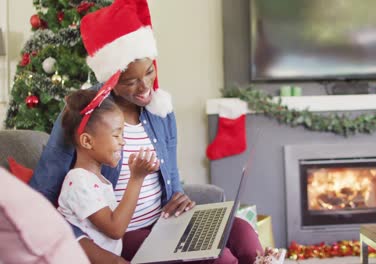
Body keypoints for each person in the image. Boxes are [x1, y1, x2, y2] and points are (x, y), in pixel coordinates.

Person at [29, 0, 263, 263]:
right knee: (222, 259)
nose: (145, 88)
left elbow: (171, 174)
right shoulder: (87, 113)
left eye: (149, 72)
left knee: (245, 235)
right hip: (123, 234)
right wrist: (88, 249)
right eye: (130, 81)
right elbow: (42, 197)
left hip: (164, 222)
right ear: (110, 79)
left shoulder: (160, 108)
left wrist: (179, 198)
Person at [57, 90, 159, 257]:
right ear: (87, 141)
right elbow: (116, 229)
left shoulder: (96, 179)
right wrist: (137, 178)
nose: (123, 141)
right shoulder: (78, 181)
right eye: (116, 135)